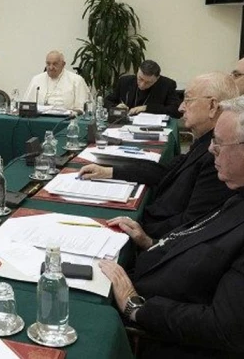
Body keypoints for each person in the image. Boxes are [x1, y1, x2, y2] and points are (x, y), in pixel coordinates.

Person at [100, 95, 244, 358]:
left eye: (220, 144)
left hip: (158, 335)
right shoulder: (236, 194)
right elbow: (200, 236)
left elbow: (224, 328)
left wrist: (136, 306)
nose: (212, 149)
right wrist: (151, 243)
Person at [80, 72, 238, 238]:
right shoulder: (204, 140)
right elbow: (165, 171)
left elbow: (192, 223)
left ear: (212, 106)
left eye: (188, 100)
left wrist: (149, 240)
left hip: (161, 235)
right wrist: (109, 171)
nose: (180, 107)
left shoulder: (219, 155)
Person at [104, 59, 181, 117]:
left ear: (157, 79)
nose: (142, 84)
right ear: (137, 72)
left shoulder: (167, 85)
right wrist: (116, 107)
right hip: (125, 125)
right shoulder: (125, 81)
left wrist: (147, 108)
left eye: (148, 82)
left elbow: (176, 110)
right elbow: (107, 101)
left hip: (151, 128)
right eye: (140, 79)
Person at [22, 50, 88, 112]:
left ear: (63, 64)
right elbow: (26, 105)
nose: (51, 67)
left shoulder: (76, 80)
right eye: (48, 64)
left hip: (67, 120)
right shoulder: (36, 79)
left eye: (55, 64)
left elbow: (82, 108)